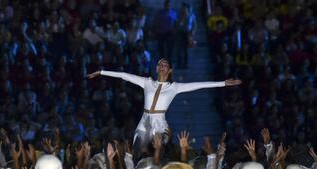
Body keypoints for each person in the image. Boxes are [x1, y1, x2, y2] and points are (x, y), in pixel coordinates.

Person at [87, 58, 242, 157]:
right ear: (156, 69)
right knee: (134, 153)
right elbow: (123, 75)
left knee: (160, 150)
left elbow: (199, 85)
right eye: (159, 64)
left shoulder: (175, 87)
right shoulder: (147, 82)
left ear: (170, 70)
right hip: (144, 122)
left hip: (161, 124)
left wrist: (222, 83)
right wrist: (101, 72)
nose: (161, 66)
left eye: (165, 64)